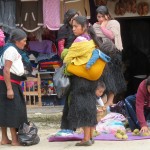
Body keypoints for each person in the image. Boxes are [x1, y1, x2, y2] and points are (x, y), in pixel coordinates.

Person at [62, 16, 106, 146]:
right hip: (91, 79)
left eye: (76, 26)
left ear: (84, 27)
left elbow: (67, 59)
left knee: (82, 107)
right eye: (73, 26)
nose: (74, 29)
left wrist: (66, 54)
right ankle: (90, 136)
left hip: (81, 79)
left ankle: (86, 138)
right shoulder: (92, 40)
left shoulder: (79, 40)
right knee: (90, 105)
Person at [93, 5, 126, 106]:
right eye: (99, 17)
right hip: (102, 54)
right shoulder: (95, 26)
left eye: (103, 16)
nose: (101, 19)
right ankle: (104, 100)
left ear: (107, 15)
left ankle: (111, 100)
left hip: (114, 54)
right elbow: (96, 39)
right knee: (104, 78)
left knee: (114, 77)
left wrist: (103, 26)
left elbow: (112, 35)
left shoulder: (114, 23)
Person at [0, 28, 28, 146]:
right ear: (17, 41)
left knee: (4, 111)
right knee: (13, 111)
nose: (25, 43)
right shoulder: (11, 50)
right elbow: (6, 69)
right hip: (8, 83)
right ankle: (14, 140)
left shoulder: (9, 48)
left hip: (8, 83)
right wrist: (10, 88)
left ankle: (5, 138)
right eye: (24, 40)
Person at [57, 9, 80, 130]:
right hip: (68, 63)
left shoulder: (79, 28)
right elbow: (61, 47)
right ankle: (68, 125)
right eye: (73, 18)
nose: (75, 20)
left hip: (79, 63)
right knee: (70, 95)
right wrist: (66, 61)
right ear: (68, 19)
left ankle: (77, 124)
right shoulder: (63, 29)